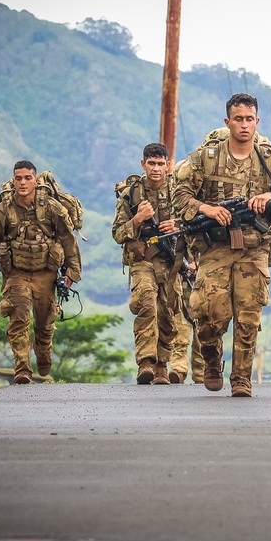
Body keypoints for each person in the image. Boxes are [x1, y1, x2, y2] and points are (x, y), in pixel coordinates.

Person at [172, 93, 271, 398]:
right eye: (238, 119)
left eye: (249, 119)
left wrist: (269, 198)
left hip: (254, 248)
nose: (244, 125)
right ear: (227, 122)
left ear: (257, 121)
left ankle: (241, 378)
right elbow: (179, 194)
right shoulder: (207, 157)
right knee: (209, 314)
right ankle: (211, 353)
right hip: (215, 247)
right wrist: (207, 209)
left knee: (249, 315)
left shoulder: (269, 160)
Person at [0, 160, 82, 384]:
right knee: (18, 316)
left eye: (27, 178)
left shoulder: (51, 207)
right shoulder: (3, 210)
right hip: (16, 274)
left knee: (44, 322)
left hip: (45, 274)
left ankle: (43, 352)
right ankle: (22, 368)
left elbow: (68, 241)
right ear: (13, 180)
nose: (23, 182)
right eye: (18, 178)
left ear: (36, 180)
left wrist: (72, 273)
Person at [112, 143, 185, 385]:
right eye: (151, 163)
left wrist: (178, 225)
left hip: (172, 261)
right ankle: (146, 362)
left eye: (160, 164)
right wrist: (137, 219)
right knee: (146, 304)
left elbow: (195, 223)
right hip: (143, 260)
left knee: (168, 312)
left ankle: (162, 364)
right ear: (143, 164)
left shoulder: (179, 191)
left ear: (168, 165)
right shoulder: (131, 194)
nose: (156, 169)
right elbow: (117, 233)